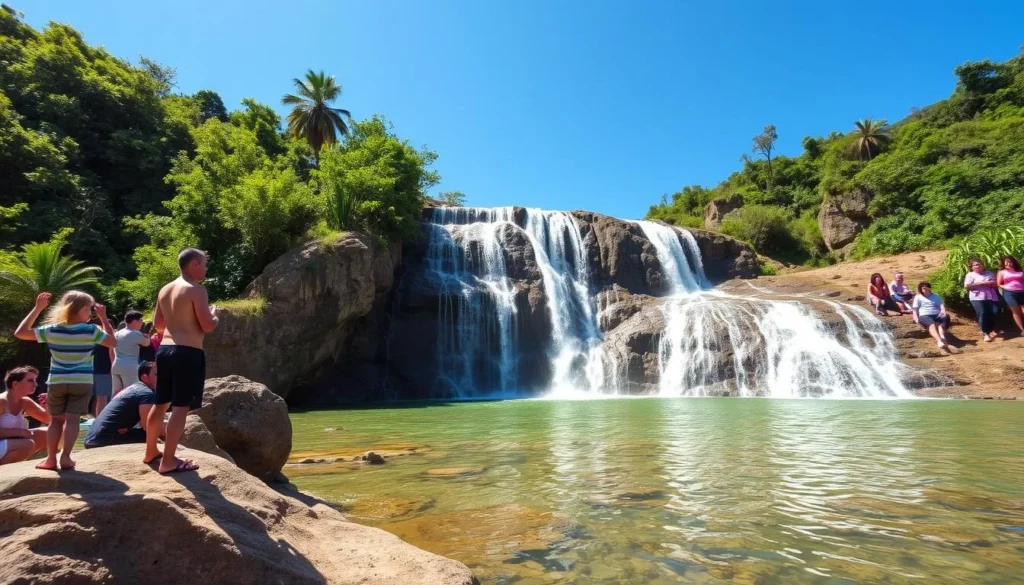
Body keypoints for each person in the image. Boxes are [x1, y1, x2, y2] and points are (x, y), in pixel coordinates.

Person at [13, 291, 116, 470]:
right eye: (90, 309)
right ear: (82, 309)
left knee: (56, 421)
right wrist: (104, 319)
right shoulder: (91, 330)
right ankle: (66, 457)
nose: (91, 313)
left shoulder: (53, 329)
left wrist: (38, 308)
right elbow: (113, 343)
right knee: (73, 420)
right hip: (82, 382)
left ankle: (51, 459)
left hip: (57, 381)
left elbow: (20, 333)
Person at [145, 248, 220, 475]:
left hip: (165, 351)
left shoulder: (165, 289)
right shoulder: (196, 290)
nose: (206, 269)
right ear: (195, 264)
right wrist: (216, 314)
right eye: (204, 264)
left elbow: (158, 324)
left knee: (160, 404)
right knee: (181, 407)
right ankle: (168, 461)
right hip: (187, 352)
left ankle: (150, 451)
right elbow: (208, 326)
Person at [85, 362, 165, 449]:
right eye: (157, 374)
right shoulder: (146, 393)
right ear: (144, 377)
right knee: (153, 432)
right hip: (103, 440)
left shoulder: (133, 388)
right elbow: (148, 426)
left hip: (92, 439)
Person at [0, 367, 51, 465]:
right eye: (30, 381)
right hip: (8, 443)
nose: (35, 384)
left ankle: (50, 464)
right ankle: (4, 474)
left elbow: (48, 419)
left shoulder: (25, 401)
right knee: (27, 444)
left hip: (10, 442)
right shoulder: (1, 401)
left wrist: (48, 405)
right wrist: (20, 432)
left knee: (49, 434)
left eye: (35, 381)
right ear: (15, 384)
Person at [111, 310, 154, 394]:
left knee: (116, 393)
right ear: (134, 321)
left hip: (116, 365)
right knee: (131, 392)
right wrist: (147, 336)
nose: (142, 323)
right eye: (141, 320)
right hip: (130, 366)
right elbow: (146, 343)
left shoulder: (117, 333)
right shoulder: (135, 333)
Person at [963, 258, 1001, 342]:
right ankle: (985, 333)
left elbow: (997, 284)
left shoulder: (989, 273)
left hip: (991, 296)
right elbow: (967, 287)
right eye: (975, 265)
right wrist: (981, 283)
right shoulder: (970, 275)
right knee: (982, 313)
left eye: (979, 264)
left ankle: (991, 330)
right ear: (972, 267)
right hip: (977, 297)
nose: (978, 266)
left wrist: (990, 283)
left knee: (994, 312)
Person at [911, 282, 952, 350]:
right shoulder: (918, 297)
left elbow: (941, 305)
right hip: (925, 315)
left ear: (929, 288)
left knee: (944, 319)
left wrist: (942, 311)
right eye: (922, 287)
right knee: (932, 324)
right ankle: (939, 341)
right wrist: (916, 319)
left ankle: (942, 336)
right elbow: (915, 309)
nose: (924, 288)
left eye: (925, 287)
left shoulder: (936, 296)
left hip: (936, 314)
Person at [91, 317, 114, 418]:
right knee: (102, 398)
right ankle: (101, 420)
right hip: (104, 371)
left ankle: (97, 418)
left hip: (94, 371)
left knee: (98, 398)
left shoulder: (94, 340)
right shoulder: (106, 341)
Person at [996, 255, 1024, 334]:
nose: (1008, 264)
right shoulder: (1002, 272)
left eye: (1010, 262)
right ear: (1003, 264)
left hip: (1022, 291)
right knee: (1015, 311)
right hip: (1009, 292)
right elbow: (998, 283)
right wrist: (1005, 287)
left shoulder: (1020, 270)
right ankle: (1022, 330)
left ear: (1013, 262)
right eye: (1006, 263)